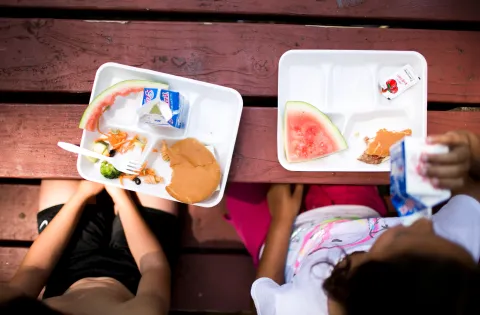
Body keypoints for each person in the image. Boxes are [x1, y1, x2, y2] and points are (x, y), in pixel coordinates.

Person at [225, 130, 480, 315]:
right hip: (353, 214)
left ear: (366, 282)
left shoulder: (303, 308)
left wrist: (281, 221)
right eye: (436, 234)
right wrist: (469, 160)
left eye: (401, 236)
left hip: (280, 246)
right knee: (343, 138)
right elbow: (473, 199)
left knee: (234, 166)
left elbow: (262, 297)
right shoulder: (450, 271)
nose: (425, 224)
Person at [0, 181, 179, 315]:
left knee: (61, 160)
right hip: (136, 267)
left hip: (66, 265)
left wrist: (80, 197)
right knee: (155, 172)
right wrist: (122, 199)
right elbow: (155, 267)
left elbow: (36, 268)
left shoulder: (11, 304)